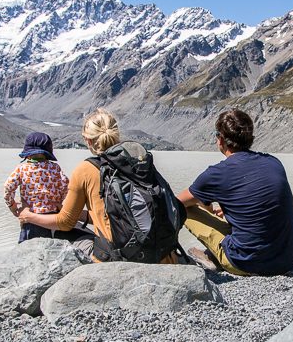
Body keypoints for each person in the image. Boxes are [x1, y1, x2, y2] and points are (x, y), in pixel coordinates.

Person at [18, 108, 177, 263]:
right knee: (80, 225)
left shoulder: (86, 169)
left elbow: (65, 223)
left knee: (59, 233)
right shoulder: (139, 162)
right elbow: (120, 214)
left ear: (87, 140)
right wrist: (81, 215)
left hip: (121, 257)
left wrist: (28, 216)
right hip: (163, 253)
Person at [177, 109, 293, 276]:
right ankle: (216, 253)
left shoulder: (217, 174)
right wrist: (229, 207)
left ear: (220, 139)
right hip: (289, 260)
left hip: (248, 264)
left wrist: (204, 203)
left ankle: (206, 257)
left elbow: (176, 201)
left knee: (183, 208)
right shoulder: (273, 162)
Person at [4, 132, 69, 243]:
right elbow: (66, 184)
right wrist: (58, 201)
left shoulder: (22, 168)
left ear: (27, 153)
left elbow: (8, 187)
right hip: (52, 218)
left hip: (30, 218)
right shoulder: (55, 168)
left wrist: (13, 206)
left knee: (27, 252)